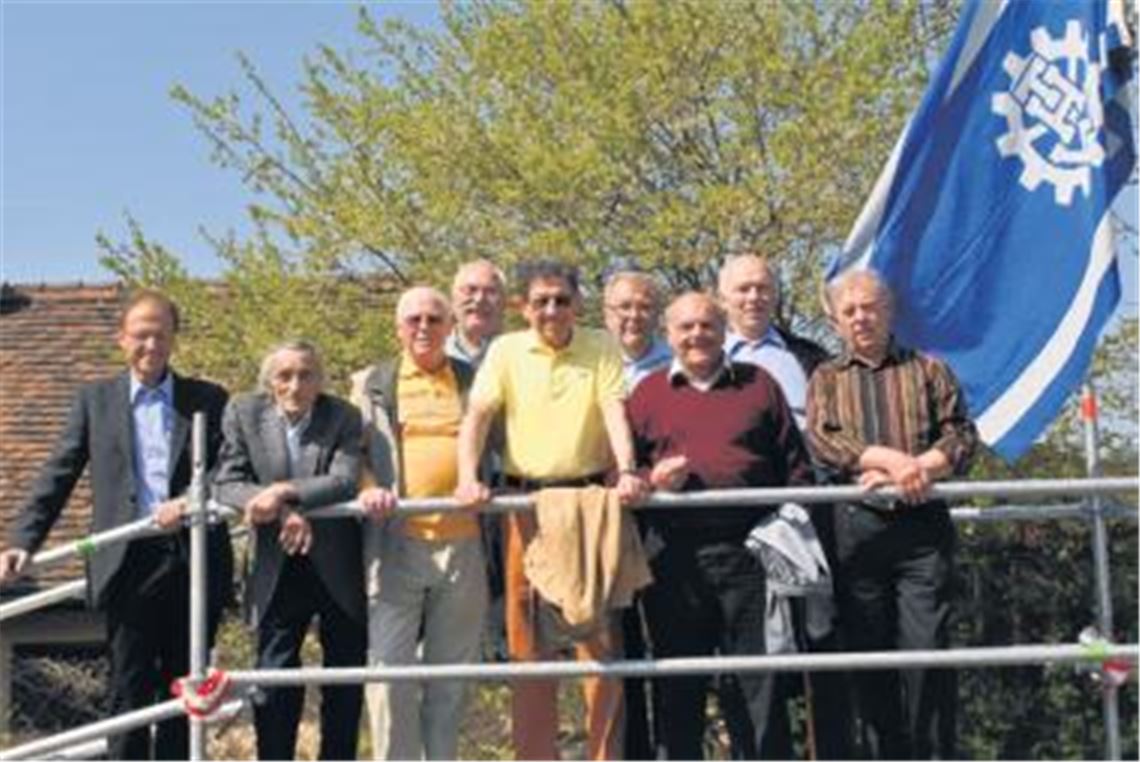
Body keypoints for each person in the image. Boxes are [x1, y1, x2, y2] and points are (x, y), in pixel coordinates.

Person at [0, 289, 233, 760]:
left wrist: (189, 500)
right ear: (122, 339)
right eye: (141, 335)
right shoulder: (96, 401)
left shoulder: (206, 399)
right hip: (127, 561)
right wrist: (22, 541)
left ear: (174, 340)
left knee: (184, 689)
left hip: (194, 559)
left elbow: (227, 469)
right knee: (128, 687)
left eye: (160, 335)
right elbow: (59, 473)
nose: (151, 345)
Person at [455, 259, 649, 760]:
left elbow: (613, 410)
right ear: (523, 307)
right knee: (529, 649)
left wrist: (627, 468)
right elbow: (477, 416)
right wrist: (467, 476)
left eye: (561, 299)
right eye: (540, 300)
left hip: (589, 505)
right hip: (525, 505)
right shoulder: (506, 350)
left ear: (577, 304)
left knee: (600, 645)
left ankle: (605, 757)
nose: (551, 309)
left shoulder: (600, 346)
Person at [627, 291, 814, 759]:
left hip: (750, 555)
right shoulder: (647, 394)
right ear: (668, 335)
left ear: (723, 329)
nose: (697, 336)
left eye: (707, 325)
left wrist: (785, 536)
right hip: (673, 559)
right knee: (677, 682)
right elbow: (622, 477)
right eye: (685, 327)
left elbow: (797, 468)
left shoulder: (758, 384)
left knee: (760, 682)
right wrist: (652, 479)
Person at [806, 270, 978, 759]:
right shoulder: (827, 377)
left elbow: (961, 436)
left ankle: (933, 755)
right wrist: (888, 459)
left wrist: (916, 468)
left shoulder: (929, 369)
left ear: (889, 311)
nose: (861, 317)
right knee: (870, 654)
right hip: (857, 530)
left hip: (922, 527)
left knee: (928, 652)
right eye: (850, 310)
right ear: (836, 320)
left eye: (870, 307)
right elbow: (823, 440)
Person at [350, 287, 488, 760]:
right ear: (398, 328)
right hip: (397, 547)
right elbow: (353, 452)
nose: (424, 328)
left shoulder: (475, 381)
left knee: (451, 680)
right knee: (390, 679)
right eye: (414, 320)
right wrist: (368, 485)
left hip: (465, 546)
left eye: (434, 319)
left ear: (450, 327)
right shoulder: (371, 383)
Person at [213, 340, 365, 761]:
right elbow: (227, 482)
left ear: (320, 380)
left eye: (306, 375)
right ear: (270, 382)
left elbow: (344, 479)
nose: (295, 384)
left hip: (335, 560)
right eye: (285, 375)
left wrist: (284, 492)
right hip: (276, 559)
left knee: (345, 676)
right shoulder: (244, 412)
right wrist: (282, 512)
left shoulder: (343, 416)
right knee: (274, 676)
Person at [718, 254, 829, 429]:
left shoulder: (812, 357)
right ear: (723, 300)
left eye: (762, 288)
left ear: (775, 296)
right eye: (744, 289)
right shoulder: (700, 360)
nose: (754, 297)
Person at [603, 270, 672, 391]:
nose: (634, 316)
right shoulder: (589, 363)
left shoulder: (678, 365)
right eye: (625, 307)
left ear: (657, 314)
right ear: (607, 313)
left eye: (645, 307)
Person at [447, 258, 507, 367]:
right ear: (452, 301)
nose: (479, 299)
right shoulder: (433, 356)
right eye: (470, 290)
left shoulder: (521, 358)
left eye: (490, 292)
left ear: (504, 302)